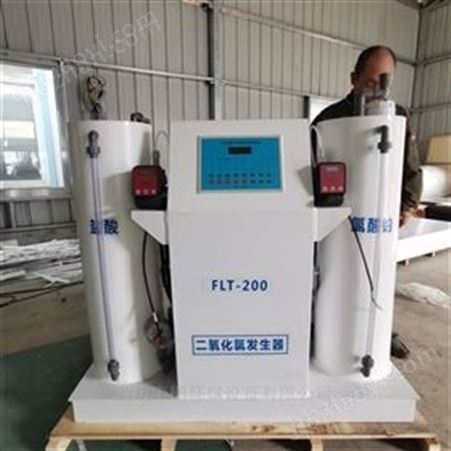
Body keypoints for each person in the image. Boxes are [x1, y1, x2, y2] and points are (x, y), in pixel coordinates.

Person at [312, 45, 422, 360]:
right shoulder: (328, 119)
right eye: (371, 83)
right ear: (354, 78)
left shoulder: (398, 117)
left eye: (385, 83)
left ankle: (382, 333)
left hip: (380, 216)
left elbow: (410, 165)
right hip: (337, 221)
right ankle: (325, 329)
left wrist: (408, 204)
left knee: (379, 274)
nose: (378, 92)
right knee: (336, 276)